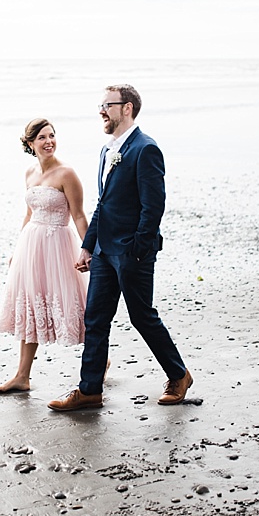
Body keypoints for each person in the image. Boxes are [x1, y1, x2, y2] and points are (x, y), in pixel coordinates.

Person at [48, 84, 192, 412]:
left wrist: (138, 249)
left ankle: (179, 374)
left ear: (126, 108)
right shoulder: (106, 150)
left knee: (142, 316)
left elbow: (153, 207)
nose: (101, 110)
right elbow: (103, 204)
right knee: (95, 318)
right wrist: (88, 247)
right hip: (102, 253)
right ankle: (89, 390)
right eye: (100, 105)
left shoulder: (146, 149)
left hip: (131, 253)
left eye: (106, 105)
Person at [0, 118, 89, 393]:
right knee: (31, 306)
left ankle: (100, 360)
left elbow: (79, 215)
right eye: (42, 138)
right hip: (31, 247)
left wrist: (90, 249)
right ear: (30, 143)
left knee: (71, 306)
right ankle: (22, 376)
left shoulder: (67, 174)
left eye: (52, 136)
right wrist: (17, 251)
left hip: (59, 245)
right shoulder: (29, 173)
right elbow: (29, 213)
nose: (49, 142)